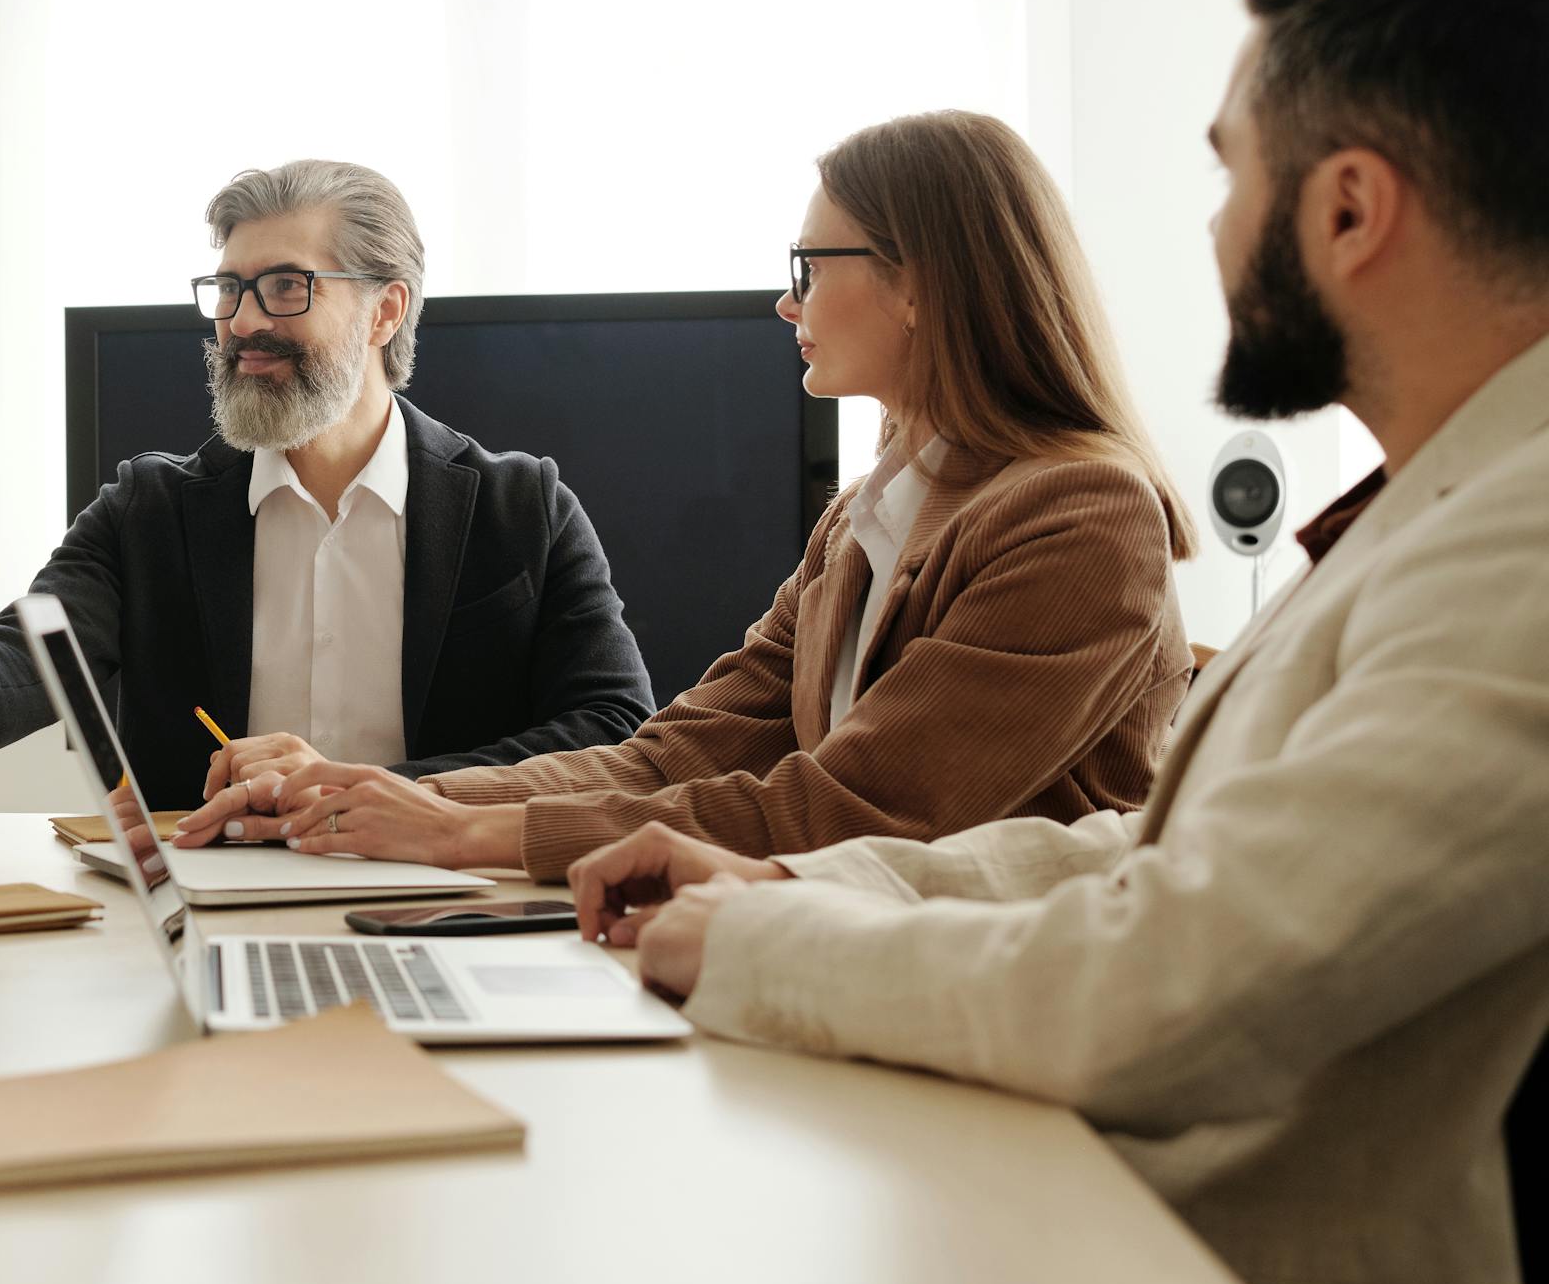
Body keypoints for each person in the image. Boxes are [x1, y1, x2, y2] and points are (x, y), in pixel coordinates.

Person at [568, 0, 1549, 1284]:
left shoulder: (1522, 543)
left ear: (1347, 209)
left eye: (1232, 176)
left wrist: (774, 942)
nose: (1214, 229)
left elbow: (1187, 973)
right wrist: (798, 885)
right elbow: (1146, 851)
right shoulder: (1439, 503)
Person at [179, 112, 1196, 878]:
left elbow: (860, 808)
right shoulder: (861, 522)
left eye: (809, 263)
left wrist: (473, 832)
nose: (785, 299)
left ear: (920, 282)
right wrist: (382, 799)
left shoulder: (1082, 518)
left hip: (988, 1024)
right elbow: (669, 755)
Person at [0, 160, 654, 811]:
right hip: (212, 898)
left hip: (443, 892)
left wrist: (374, 790)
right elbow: (27, 655)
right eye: (228, 289)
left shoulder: (525, 510)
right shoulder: (148, 511)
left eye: (285, 286)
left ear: (385, 310)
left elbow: (614, 730)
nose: (244, 320)